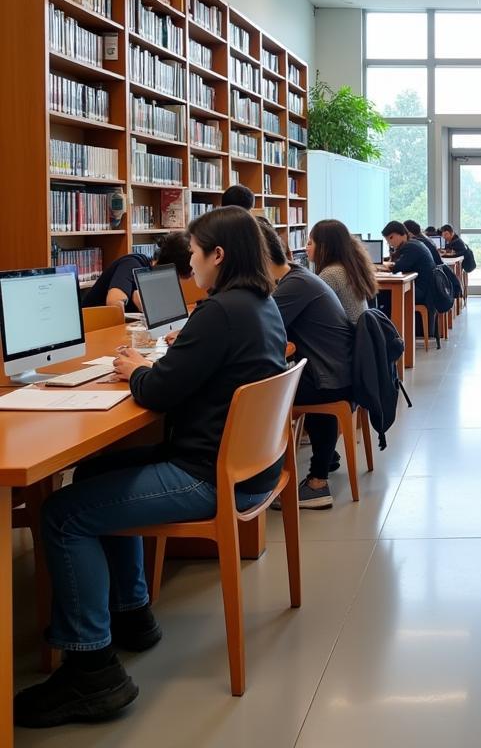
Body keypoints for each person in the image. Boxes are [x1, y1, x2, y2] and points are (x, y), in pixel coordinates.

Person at [15, 207, 286, 728]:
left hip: (208, 476)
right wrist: (155, 366)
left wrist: (139, 369)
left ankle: (92, 671)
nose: (190, 263)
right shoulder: (259, 304)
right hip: (245, 468)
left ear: (218, 256)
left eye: (194, 253)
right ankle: (132, 615)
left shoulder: (220, 311)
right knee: (96, 474)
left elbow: (160, 390)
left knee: (64, 514)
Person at [257, 218, 356, 509]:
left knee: (260, 398)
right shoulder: (299, 277)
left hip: (330, 380)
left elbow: (259, 329)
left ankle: (299, 481)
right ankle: (322, 463)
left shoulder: (295, 285)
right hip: (338, 372)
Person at [82, 231, 192, 310]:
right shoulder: (133, 263)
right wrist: (142, 305)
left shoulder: (160, 279)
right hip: (94, 329)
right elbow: (114, 303)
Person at [307, 219, 378, 323]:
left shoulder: (331, 274)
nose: (306, 248)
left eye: (310, 243)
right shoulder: (347, 267)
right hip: (359, 334)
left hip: (347, 336)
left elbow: (310, 307)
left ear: (323, 247)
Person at [382, 220, 437, 323]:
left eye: (391, 237)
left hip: (421, 292)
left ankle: (389, 330)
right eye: (387, 240)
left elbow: (397, 267)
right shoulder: (413, 243)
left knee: (383, 294)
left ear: (402, 234)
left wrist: (381, 266)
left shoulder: (411, 246)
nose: (390, 242)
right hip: (424, 289)